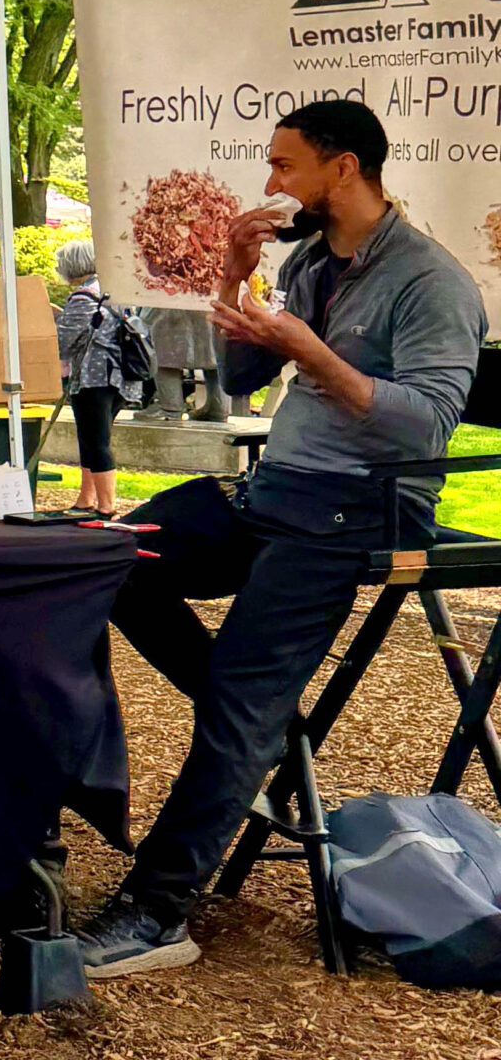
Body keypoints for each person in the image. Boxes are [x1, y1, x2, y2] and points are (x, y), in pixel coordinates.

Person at [76, 99, 485, 978]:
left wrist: (316, 351)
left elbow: (425, 428)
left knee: (238, 704)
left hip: (359, 506)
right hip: (275, 491)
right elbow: (244, 374)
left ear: (345, 169)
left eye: (284, 165)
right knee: (111, 553)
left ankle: (157, 914)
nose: (269, 183)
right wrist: (232, 283)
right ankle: (254, 721)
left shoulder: (432, 282)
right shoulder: (309, 260)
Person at [54, 239, 141, 515]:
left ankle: (105, 505)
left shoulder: (83, 298)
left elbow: (65, 341)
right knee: (93, 437)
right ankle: (86, 498)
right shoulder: (113, 291)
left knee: (95, 440)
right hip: (120, 377)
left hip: (93, 376)